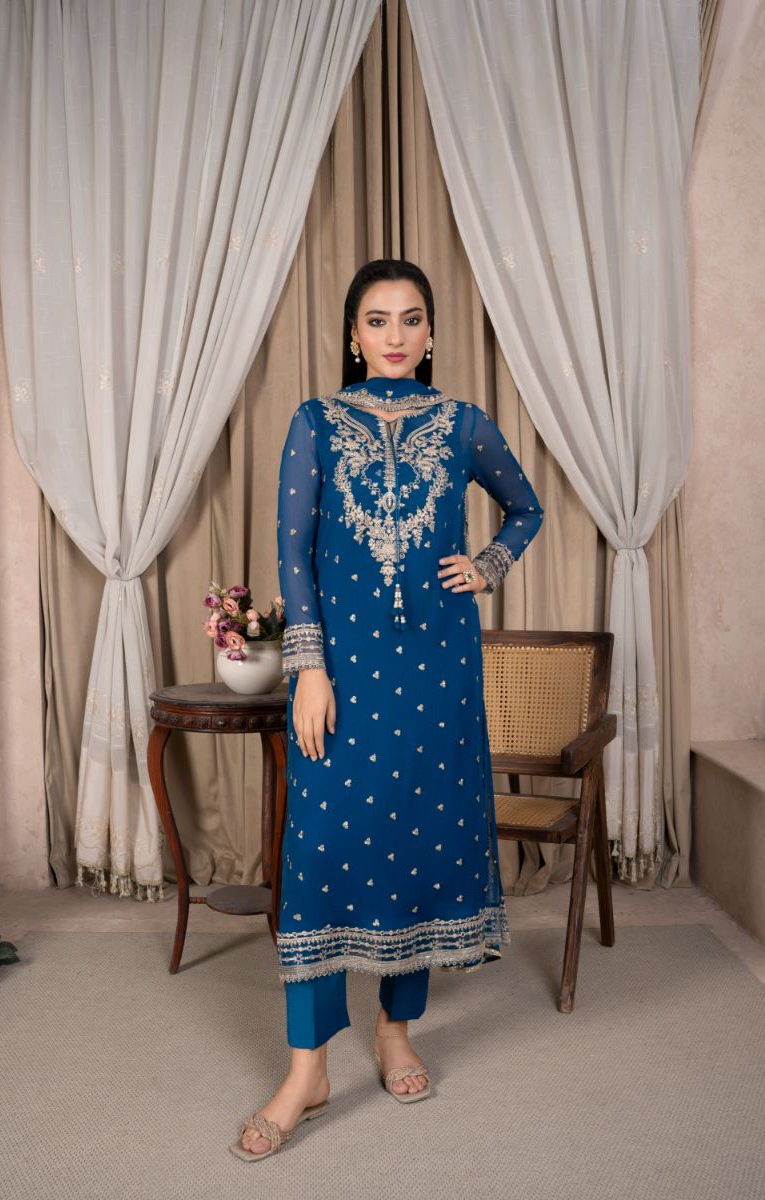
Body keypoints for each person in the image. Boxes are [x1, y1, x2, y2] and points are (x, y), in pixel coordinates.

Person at [231, 258, 544, 1161]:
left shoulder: (463, 423)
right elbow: (294, 551)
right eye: (378, 319)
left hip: (436, 672)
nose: (395, 335)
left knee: (415, 841)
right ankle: (307, 1070)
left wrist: (485, 567)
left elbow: (524, 510)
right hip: (344, 674)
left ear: (432, 333)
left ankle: (395, 1031)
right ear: (354, 334)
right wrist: (309, 668)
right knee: (321, 850)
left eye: (411, 319)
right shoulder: (316, 423)